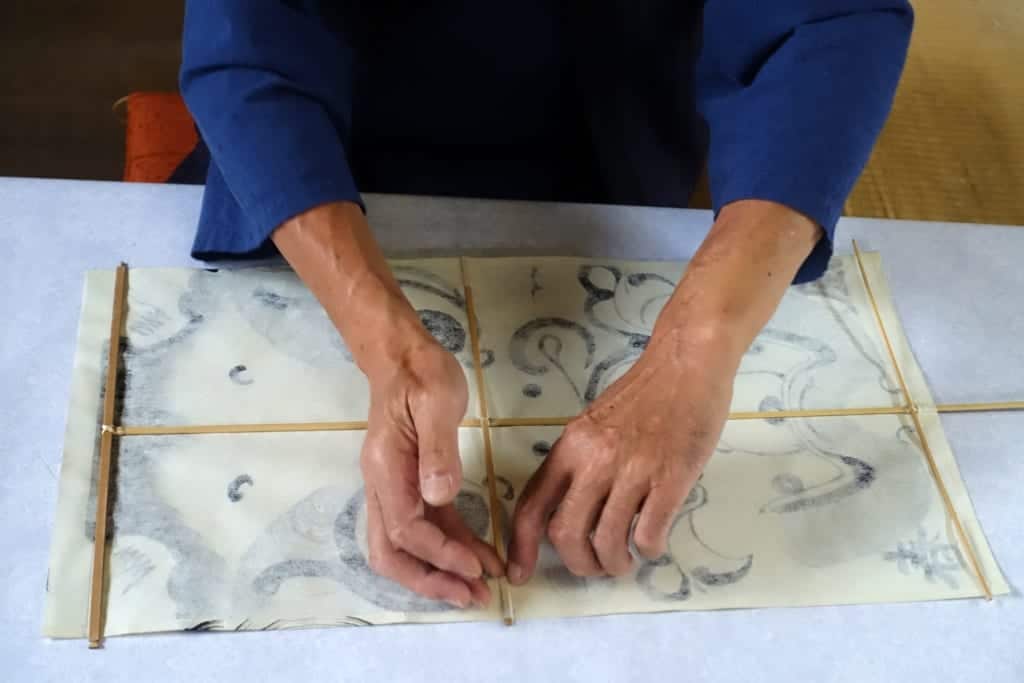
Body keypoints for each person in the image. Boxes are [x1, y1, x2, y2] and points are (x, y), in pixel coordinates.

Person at [176, 0, 913, 609]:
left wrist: (697, 346)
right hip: (330, 154)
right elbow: (248, 35)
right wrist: (388, 348)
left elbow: (834, 20)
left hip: (607, 132)